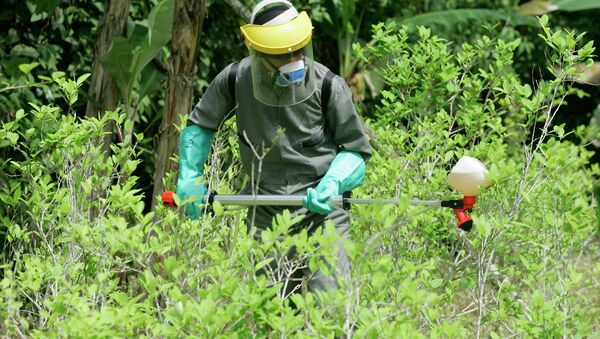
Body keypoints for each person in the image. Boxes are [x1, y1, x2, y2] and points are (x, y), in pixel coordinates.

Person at [176, 0, 371, 299]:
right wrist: (190, 175)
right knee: (270, 310)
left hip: (322, 210)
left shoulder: (329, 85)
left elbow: (356, 151)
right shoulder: (234, 79)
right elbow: (200, 126)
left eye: (297, 49)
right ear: (259, 54)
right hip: (263, 208)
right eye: (282, 54)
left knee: (331, 308)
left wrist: (333, 182)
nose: (293, 58)